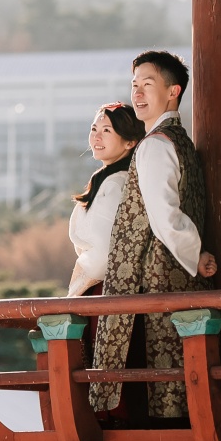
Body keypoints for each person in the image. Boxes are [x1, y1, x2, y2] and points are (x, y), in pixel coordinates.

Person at [90, 50, 216, 424]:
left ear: (173, 91)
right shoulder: (181, 142)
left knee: (158, 395)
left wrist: (197, 255)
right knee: (178, 384)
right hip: (178, 284)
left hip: (155, 285)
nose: (138, 94)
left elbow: (165, 218)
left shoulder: (156, 146)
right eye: (135, 85)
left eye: (148, 85)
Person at [65, 103, 147, 297]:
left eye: (107, 130)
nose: (96, 137)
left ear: (130, 142)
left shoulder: (116, 184)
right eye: (94, 129)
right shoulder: (107, 179)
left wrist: (80, 284)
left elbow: (105, 251)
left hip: (103, 287)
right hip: (101, 284)